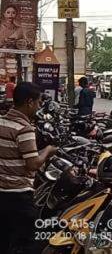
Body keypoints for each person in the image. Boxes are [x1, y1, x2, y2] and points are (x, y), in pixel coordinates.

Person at [0, 82, 58, 254]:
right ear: (29, 102)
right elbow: (32, 164)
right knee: (28, 244)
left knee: (4, 240)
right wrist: (48, 150)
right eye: (39, 102)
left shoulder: (2, 122)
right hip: (18, 196)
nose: (39, 107)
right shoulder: (24, 129)